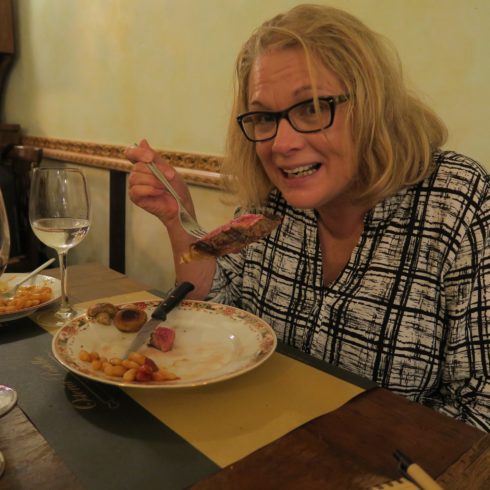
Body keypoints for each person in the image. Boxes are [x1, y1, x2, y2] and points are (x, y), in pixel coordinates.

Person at [126, 4, 490, 431]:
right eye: (264, 117)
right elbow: (214, 314)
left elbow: (480, 410)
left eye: (313, 107)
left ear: (373, 106)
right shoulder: (269, 204)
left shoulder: (459, 203)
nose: (282, 143)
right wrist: (179, 220)